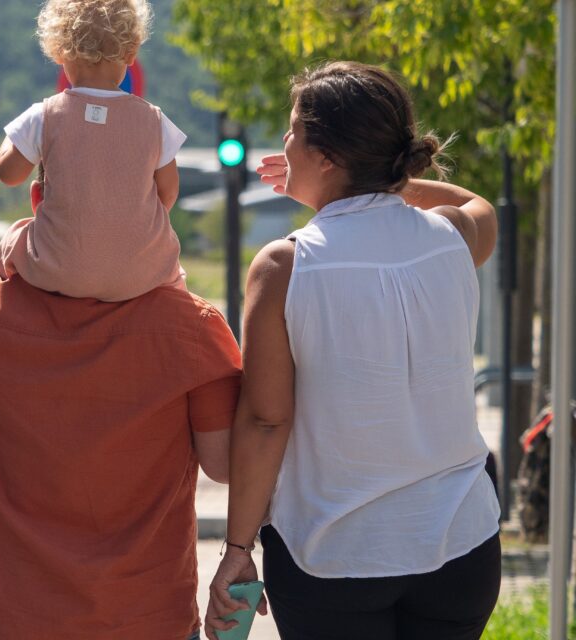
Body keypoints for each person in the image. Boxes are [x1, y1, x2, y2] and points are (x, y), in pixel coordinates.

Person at [205, 61, 501, 640]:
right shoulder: (453, 238)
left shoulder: (285, 266)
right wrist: (388, 178)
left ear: (326, 157)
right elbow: (477, 202)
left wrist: (237, 549)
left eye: (293, 130)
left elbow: (267, 421)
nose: (284, 142)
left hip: (334, 554)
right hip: (462, 543)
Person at [0, 266, 240, 638]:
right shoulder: (189, 325)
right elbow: (224, 465)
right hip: (148, 620)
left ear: (38, 202)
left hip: (12, 623)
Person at [0, 0, 188, 302]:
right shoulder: (155, 121)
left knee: (14, 236)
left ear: (58, 52)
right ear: (131, 53)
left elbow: (8, 174)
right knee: (174, 270)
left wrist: (16, 134)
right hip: (141, 274)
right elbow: (168, 192)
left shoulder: (45, 115)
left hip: (56, 269)